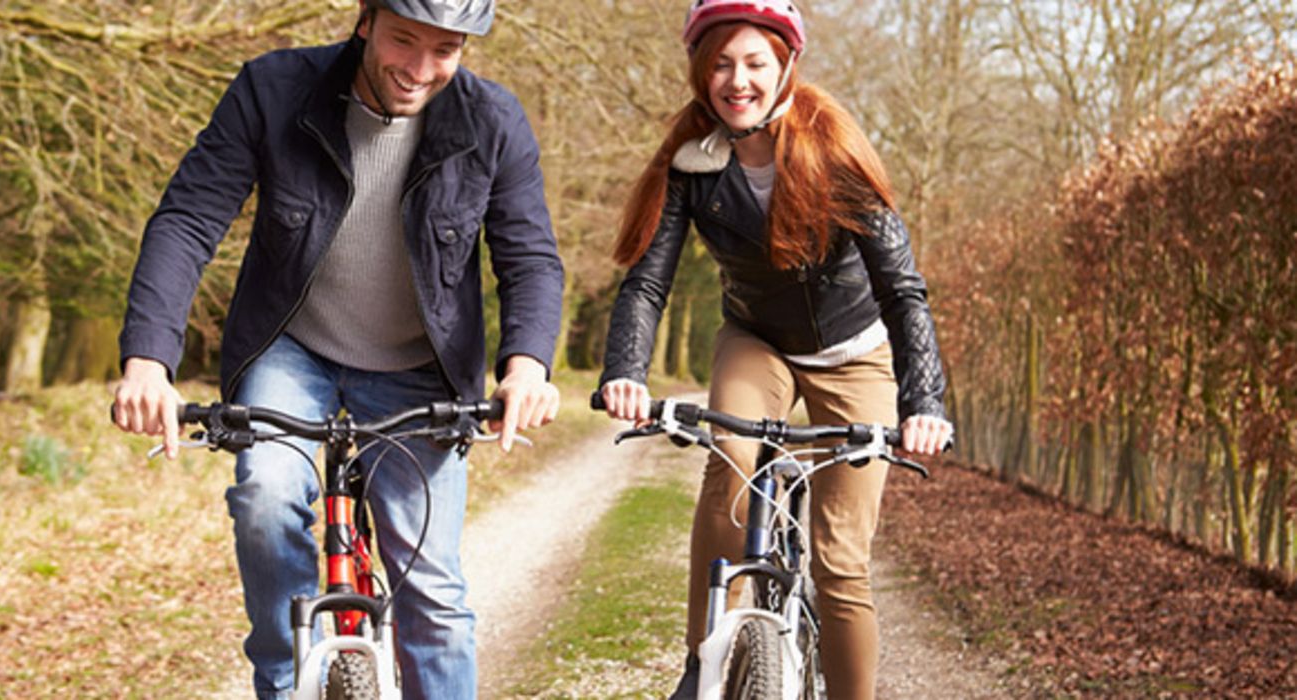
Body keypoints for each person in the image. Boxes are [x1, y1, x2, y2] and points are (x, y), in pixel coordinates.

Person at [110, 0, 564, 697]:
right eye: (403, 40)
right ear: (365, 20)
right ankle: (285, 676)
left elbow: (529, 258)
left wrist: (526, 367)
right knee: (265, 496)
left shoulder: (493, 121)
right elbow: (189, 219)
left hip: (420, 369)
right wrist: (148, 359)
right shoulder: (272, 89)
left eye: (444, 50)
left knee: (432, 591)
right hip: (292, 349)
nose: (418, 69)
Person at [597, 2, 952, 698]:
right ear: (702, 71)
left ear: (785, 66)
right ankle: (703, 661)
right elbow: (646, 282)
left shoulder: (836, 151)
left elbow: (904, 291)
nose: (737, 80)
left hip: (855, 352)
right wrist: (625, 373)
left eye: (755, 63)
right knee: (730, 461)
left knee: (840, 559)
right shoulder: (691, 162)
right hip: (756, 340)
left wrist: (925, 404)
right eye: (722, 63)